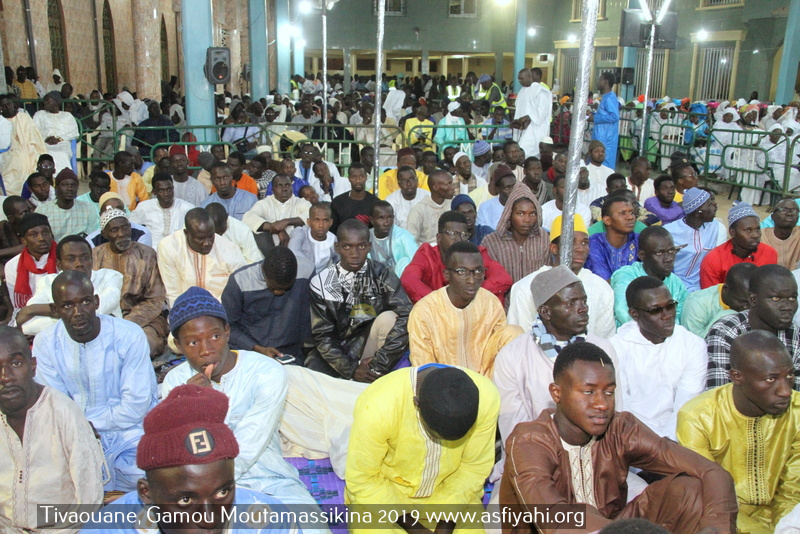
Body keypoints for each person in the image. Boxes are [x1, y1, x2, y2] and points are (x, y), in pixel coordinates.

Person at [499, 342, 738, 534]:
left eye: (609, 392)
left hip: (615, 527)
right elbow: (554, 517)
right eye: (588, 392)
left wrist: (716, 525)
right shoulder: (530, 439)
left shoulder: (620, 428)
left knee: (691, 490)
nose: (602, 404)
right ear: (557, 393)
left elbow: (711, 471)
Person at [162, 287, 322, 509]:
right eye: (192, 343)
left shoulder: (265, 371)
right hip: (198, 488)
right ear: (178, 346)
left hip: (269, 479)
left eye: (215, 336)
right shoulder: (175, 382)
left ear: (227, 332)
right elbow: (176, 449)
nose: (206, 350)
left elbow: (250, 442)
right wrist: (190, 406)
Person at [89, 384, 305, 533]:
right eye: (185, 501)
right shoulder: (107, 528)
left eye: (222, 492)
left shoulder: (270, 524)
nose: (210, 519)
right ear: (147, 494)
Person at [493, 266, 621, 482]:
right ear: (545, 311)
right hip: (532, 466)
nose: (583, 309)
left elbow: (615, 419)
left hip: (596, 463)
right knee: (505, 513)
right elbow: (515, 430)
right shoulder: (512, 356)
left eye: (584, 301)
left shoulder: (603, 350)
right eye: (571, 303)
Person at [33, 270, 157, 491]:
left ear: (97, 302)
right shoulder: (46, 343)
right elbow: (54, 402)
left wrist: (88, 424)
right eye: (68, 306)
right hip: (71, 435)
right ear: (55, 310)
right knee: (42, 480)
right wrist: (78, 430)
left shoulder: (129, 335)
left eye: (85, 302)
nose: (78, 312)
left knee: (150, 474)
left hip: (129, 431)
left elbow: (135, 405)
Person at [346, 365, 499, 533]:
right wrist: (416, 529)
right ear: (416, 404)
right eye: (435, 434)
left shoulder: (486, 399)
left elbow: (474, 468)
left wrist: (446, 524)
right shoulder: (379, 405)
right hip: (384, 496)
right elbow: (363, 479)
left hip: (456, 496)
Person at [680, 331, 800, 533]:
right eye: (771, 379)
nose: (785, 390)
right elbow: (712, 497)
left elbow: (793, 488)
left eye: (789, 375)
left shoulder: (797, 410)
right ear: (737, 376)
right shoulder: (697, 417)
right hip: (722, 519)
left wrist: (785, 528)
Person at [0, 326, 105, 533]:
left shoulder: (63, 413)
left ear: (32, 366)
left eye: (15, 363)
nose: (6, 377)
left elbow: (90, 502)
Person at [305, 219, 412, 381]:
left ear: (369, 246)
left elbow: (406, 313)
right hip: (335, 354)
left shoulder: (381, 273)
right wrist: (352, 369)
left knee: (389, 318)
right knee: (313, 377)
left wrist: (378, 363)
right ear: (338, 247)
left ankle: (377, 375)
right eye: (347, 247)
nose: (354, 254)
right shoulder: (321, 282)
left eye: (361, 246)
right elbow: (323, 336)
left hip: (368, 347)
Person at [609, 276, 706, 440]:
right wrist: (651, 446)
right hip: (632, 439)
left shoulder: (693, 345)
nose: (667, 315)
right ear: (634, 314)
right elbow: (622, 406)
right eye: (655, 310)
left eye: (670, 306)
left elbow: (687, 402)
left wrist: (669, 443)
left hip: (680, 437)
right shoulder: (615, 348)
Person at [409, 240, 522, 376]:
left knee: (514, 332)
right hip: (445, 386)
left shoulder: (490, 303)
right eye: (462, 272)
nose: (472, 280)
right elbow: (424, 367)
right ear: (447, 274)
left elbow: (498, 351)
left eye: (478, 271)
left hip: (488, 381)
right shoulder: (424, 311)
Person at [507, 214, 616, 338]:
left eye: (585, 243)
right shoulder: (526, 287)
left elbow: (605, 338)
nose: (580, 249)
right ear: (554, 248)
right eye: (571, 242)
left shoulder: (601, 287)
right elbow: (519, 339)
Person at [706, 263, 800, 391]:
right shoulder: (725, 332)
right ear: (753, 299)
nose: (787, 306)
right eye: (776, 298)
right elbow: (718, 394)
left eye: (792, 298)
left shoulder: (796, 334)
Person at [92, 207, 169, 358]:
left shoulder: (147, 254)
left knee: (147, 344)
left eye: (125, 227)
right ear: (105, 234)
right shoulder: (94, 256)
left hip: (144, 319)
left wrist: (127, 324)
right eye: (114, 229)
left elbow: (155, 299)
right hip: (105, 319)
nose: (122, 234)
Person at [17, 234, 122, 336]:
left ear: (92, 260)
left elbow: (98, 310)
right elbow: (27, 325)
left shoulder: (110, 277)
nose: (79, 263)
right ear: (59, 264)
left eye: (84, 257)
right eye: (71, 259)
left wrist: (33, 310)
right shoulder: (48, 282)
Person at [401, 211, 512, 305]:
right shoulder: (427, 253)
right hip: (437, 312)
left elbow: (503, 278)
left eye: (463, 235)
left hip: (471, 309)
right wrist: (440, 301)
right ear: (439, 238)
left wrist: (471, 294)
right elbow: (408, 279)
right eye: (453, 234)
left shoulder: (475, 254)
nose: (458, 239)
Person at [222, 246, 313, 358]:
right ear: (263, 271)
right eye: (274, 288)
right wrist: (256, 348)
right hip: (249, 351)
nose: (279, 292)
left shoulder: (306, 271)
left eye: (285, 289)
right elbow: (228, 328)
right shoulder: (240, 281)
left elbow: (306, 319)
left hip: (290, 352)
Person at [158, 208, 247, 306]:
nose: (207, 243)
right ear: (187, 233)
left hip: (222, 309)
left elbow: (241, 288)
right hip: (185, 310)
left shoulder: (229, 249)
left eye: (211, 236)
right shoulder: (169, 247)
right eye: (200, 238)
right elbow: (173, 293)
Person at [610, 226, 688, 326]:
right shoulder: (626, 276)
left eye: (671, 251)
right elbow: (623, 314)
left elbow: (681, 320)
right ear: (642, 255)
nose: (668, 258)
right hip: (632, 338)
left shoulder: (676, 283)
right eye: (660, 253)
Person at [482, 182, 550, 284]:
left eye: (532, 214)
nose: (527, 219)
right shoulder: (491, 242)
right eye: (520, 213)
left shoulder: (543, 238)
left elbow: (548, 276)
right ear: (509, 214)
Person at [700, 202, 778, 288]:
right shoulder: (714, 259)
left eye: (757, 229)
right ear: (732, 232)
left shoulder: (769, 253)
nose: (755, 235)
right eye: (748, 231)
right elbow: (710, 295)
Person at [664, 187, 728, 292]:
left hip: (705, 284)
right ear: (699, 211)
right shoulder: (669, 231)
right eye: (709, 203)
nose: (715, 205)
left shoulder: (717, 228)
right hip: (673, 285)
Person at [5, 213, 56, 322]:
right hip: (28, 315)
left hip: (59, 313)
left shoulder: (64, 257)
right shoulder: (12, 265)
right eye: (33, 235)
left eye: (45, 233)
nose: (41, 238)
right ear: (23, 240)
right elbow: (17, 306)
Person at [683, 262, 755, 338]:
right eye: (743, 301)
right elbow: (693, 342)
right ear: (726, 290)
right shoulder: (696, 304)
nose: (747, 307)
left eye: (752, 300)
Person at [244, 174, 312, 246]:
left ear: (291, 187)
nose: (284, 189)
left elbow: (311, 215)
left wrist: (286, 222)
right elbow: (248, 217)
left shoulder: (300, 202)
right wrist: (275, 228)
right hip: (270, 250)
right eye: (279, 185)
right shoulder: (265, 203)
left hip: (298, 249)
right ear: (272, 189)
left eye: (287, 185)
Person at [129, 172, 193, 248]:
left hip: (179, 252)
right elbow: (131, 227)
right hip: (152, 252)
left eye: (169, 189)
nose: (166, 194)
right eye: (161, 191)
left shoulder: (187, 208)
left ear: (173, 188)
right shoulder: (144, 207)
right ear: (154, 192)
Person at [585, 194, 640, 281]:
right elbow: (603, 281)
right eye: (622, 213)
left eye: (631, 212)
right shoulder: (594, 243)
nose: (630, 217)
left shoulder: (639, 240)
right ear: (607, 220)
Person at [0, 93, 47, 195]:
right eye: (3, 106)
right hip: (9, 157)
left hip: (29, 152)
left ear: (13, 104)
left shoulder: (24, 117)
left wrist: (42, 155)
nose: (7, 107)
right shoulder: (1, 122)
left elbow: (37, 139)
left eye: (8, 104)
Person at [34, 169, 98, 241]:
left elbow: (90, 237)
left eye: (73, 185)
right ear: (56, 188)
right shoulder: (42, 211)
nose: (69, 188)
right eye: (65, 185)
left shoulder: (88, 208)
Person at [32, 91, 78, 174]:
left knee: (61, 154)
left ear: (57, 102)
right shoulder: (39, 114)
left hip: (62, 143)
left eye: (48, 101)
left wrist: (60, 139)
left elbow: (74, 133)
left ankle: (61, 176)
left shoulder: (67, 116)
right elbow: (34, 131)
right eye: (45, 101)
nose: (45, 103)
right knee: (42, 154)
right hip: (43, 143)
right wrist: (45, 139)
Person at [368, 200, 417, 278]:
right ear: (372, 220)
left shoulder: (403, 236)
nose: (386, 223)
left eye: (389, 218)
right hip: (373, 282)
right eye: (381, 218)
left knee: (405, 261)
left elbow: (416, 262)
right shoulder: (365, 237)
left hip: (399, 282)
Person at [407, 169, 456, 245]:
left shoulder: (453, 205)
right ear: (435, 187)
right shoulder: (419, 210)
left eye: (452, 183)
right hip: (426, 254)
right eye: (448, 184)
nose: (453, 187)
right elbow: (410, 242)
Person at [288, 201, 338, 275]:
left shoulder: (333, 239)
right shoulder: (300, 233)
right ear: (309, 222)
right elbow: (293, 251)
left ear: (330, 222)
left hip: (322, 280)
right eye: (316, 220)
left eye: (325, 220)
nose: (321, 225)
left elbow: (339, 261)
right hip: (299, 277)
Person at [511, 68, 550, 158]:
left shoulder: (540, 91)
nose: (520, 81)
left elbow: (542, 111)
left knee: (527, 153)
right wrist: (517, 121)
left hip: (534, 129)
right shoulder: (521, 91)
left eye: (522, 78)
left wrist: (527, 118)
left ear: (529, 76)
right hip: (521, 128)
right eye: (519, 79)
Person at [331, 163, 376, 233]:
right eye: (354, 177)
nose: (358, 180)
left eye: (361, 176)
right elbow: (333, 230)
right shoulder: (337, 202)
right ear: (349, 178)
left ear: (366, 177)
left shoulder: (375, 203)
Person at [591, 71, 621, 170]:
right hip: (601, 137)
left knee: (604, 167)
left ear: (605, 82)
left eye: (600, 79)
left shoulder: (610, 98)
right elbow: (604, 114)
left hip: (606, 139)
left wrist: (595, 118)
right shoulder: (605, 97)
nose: (598, 82)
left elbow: (614, 116)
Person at [385, 164, 430, 229]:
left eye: (411, 179)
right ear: (399, 184)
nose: (408, 183)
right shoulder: (391, 201)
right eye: (403, 181)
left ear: (417, 180)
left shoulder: (427, 197)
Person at [761, 198, 800, 270]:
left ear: (798, 218)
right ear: (773, 217)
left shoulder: (798, 235)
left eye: (794, 211)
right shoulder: (760, 237)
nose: (789, 213)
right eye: (784, 210)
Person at [476, 164, 518, 231]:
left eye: (514, 186)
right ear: (498, 189)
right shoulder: (485, 208)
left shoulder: (524, 207)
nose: (512, 191)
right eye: (507, 188)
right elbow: (482, 234)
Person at [584, 140, 615, 204]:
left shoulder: (610, 172)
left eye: (602, 151)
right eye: (596, 151)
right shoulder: (585, 171)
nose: (600, 154)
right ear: (590, 153)